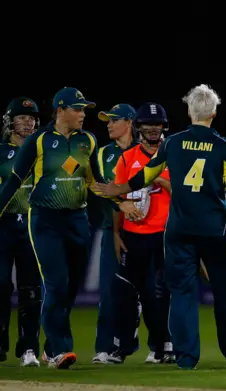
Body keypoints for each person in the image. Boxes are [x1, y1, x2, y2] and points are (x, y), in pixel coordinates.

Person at [94, 84, 226, 370]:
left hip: (179, 231)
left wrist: (116, 189)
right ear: (214, 112)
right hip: (214, 230)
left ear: (189, 111)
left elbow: (145, 175)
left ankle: (185, 357)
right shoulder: (223, 146)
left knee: (182, 293)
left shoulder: (174, 143)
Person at [0, 87, 140, 369]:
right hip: (45, 220)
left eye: (84, 110)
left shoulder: (87, 140)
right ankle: (58, 350)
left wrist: (119, 204)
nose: (82, 115)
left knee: (70, 288)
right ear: (60, 110)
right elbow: (14, 180)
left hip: (78, 221)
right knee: (55, 284)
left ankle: (52, 349)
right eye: (78, 109)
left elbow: (94, 183)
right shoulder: (39, 141)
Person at [103, 102, 174, 365]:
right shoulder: (126, 158)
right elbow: (117, 194)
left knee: (162, 292)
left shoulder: (173, 155)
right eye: (147, 125)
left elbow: (183, 195)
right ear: (139, 128)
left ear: (163, 127)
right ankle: (121, 347)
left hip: (165, 234)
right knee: (125, 291)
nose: (153, 129)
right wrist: (116, 233)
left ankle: (164, 346)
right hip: (133, 235)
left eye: (157, 125)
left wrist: (156, 178)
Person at [91, 103, 137, 364]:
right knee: (109, 290)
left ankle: (160, 348)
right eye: (107, 120)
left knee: (151, 291)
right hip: (112, 228)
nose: (108, 124)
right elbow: (99, 188)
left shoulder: (147, 151)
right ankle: (105, 348)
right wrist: (121, 203)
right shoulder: (103, 154)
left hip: (146, 229)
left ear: (129, 123)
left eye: (114, 120)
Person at [0, 97, 42, 367]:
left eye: (31, 118)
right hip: (3, 228)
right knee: (1, 286)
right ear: (9, 121)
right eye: (22, 117)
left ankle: (28, 349)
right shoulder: (0, 152)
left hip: (32, 227)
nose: (27, 122)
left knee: (31, 290)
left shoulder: (42, 152)